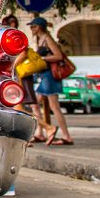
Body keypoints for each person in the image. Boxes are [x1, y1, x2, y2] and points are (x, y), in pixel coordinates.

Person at [29, 17, 73, 145]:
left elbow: (58, 56)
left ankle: (66, 136)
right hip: (45, 76)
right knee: (35, 105)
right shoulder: (42, 40)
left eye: (32, 27)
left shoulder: (48, 39)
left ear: (38, 27)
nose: (31, 29)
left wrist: (43, 58)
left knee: (54, 106)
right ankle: (40, 133)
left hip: (50, 76)